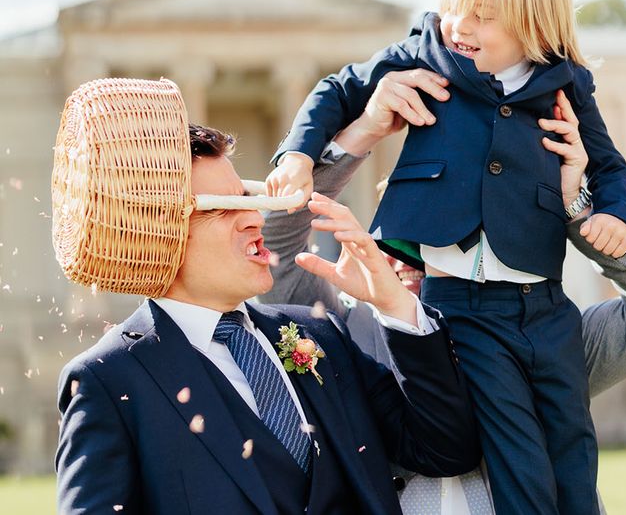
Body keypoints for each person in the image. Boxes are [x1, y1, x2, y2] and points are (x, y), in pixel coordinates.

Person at [265, 0, 626, 514]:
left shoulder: (567, 85)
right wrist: (296, 154)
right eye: (453, 7)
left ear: (534, 28)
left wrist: (614, 213)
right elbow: (336, 90)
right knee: (517, 451)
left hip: (546, 304)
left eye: (483, 17)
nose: (459, 25)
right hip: (464, 305)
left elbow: (611, 166)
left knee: (572, 444)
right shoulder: (426, 53)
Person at [261, 69, 626, 514]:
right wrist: (362, 132)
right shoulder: (343, 328)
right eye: (394, 234)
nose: (409, 251)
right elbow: (277, 244)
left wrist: (575, 206)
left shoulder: (548, 334)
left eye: (435, 237)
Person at [55, 119, 482, 514]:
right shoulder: (107, 381)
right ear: (157, 230)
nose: (254, 218)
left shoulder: (321, 334)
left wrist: (394, 306)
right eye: (220, 208)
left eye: (246, 200)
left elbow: (446, 449)